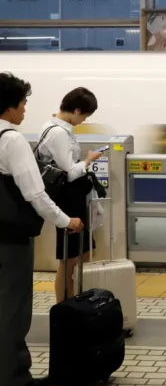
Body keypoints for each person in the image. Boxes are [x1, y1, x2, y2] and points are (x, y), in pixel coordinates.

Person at [0, 73, 84, 386]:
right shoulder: (11, 140)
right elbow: (35, 193)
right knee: (13, 307)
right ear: (8, 106)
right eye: (22, 103)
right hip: (10, 237)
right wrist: (66, 221)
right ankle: (11, 379)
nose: (24, 110)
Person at [36, 88, 103, 302]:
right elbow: (70, 172)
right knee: (69, 256)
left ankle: (72, 300)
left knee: (78, 254)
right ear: (76, 110)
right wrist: (88, 160)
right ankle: (64, 305)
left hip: (71, 196)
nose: (83, 120)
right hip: (67, 198)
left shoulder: (53, 127)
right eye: (84, 115)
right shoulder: (57, 133)